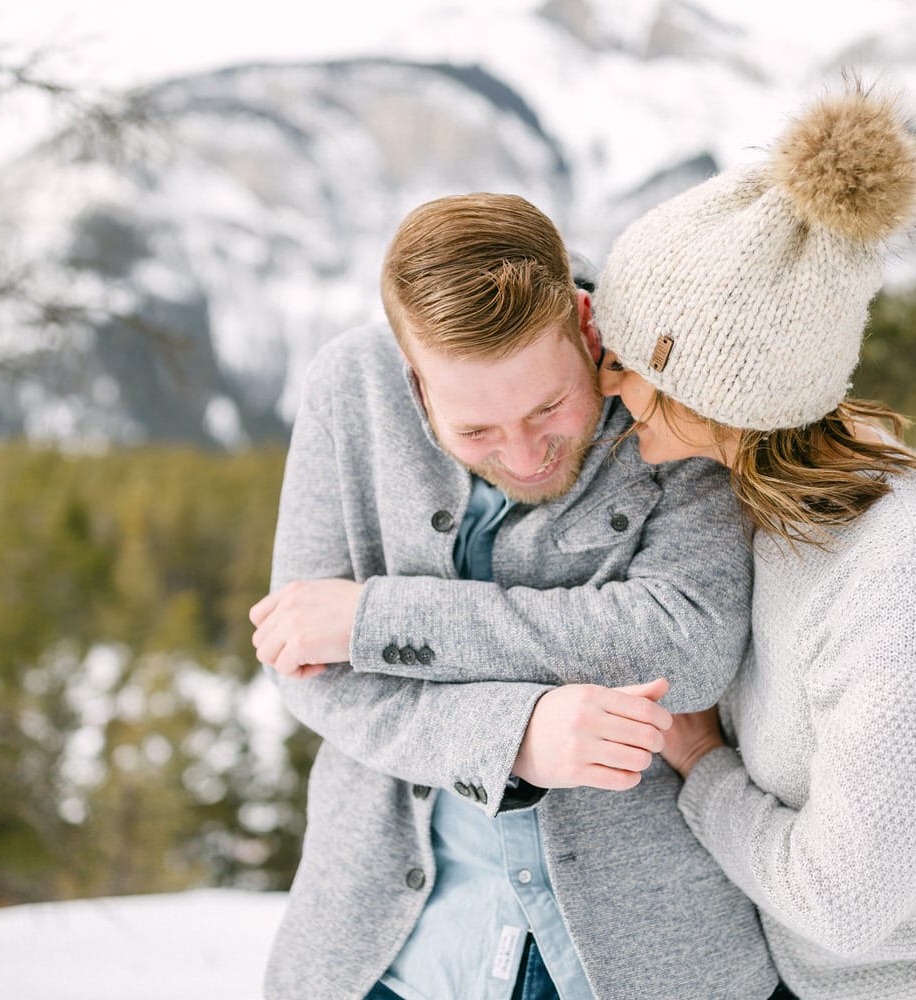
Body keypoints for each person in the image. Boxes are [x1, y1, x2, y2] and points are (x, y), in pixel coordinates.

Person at [581, 87, 916, 1000]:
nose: (604, 381)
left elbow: (843, 902)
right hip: (802, 963)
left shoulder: (913, 574)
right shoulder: (752, 488)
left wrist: (698, 764)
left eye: (626, 358)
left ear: (715, 389)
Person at [250, 193, 778, 999]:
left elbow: (689, 644)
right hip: (385, 955)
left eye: (549, 408)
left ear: (587, 328)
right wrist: (513, 739)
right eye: (477, 433)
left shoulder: (671, 386)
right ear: (415, 384)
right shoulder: (345, 391)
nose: (527, 456)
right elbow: (311, 664)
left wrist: (378, 619)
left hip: (630, 956)